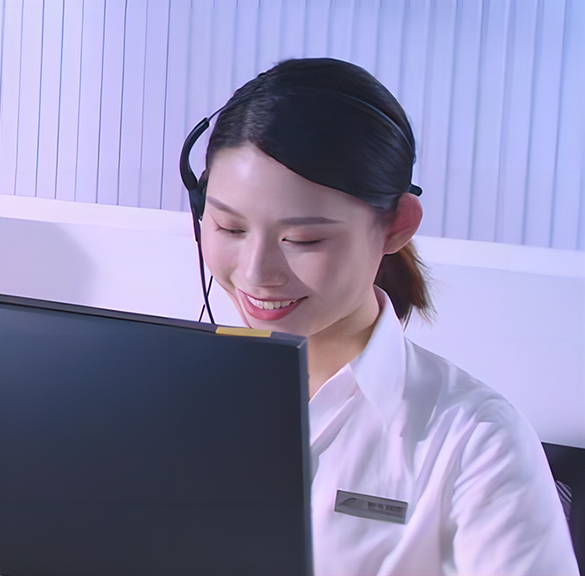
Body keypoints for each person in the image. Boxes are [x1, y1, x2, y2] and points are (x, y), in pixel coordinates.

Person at [183, 57, 575, 576]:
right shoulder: (166, 391)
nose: (256, 273)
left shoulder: (476, 440)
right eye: (229, 229)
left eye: (303, 239)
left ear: (395, 227)